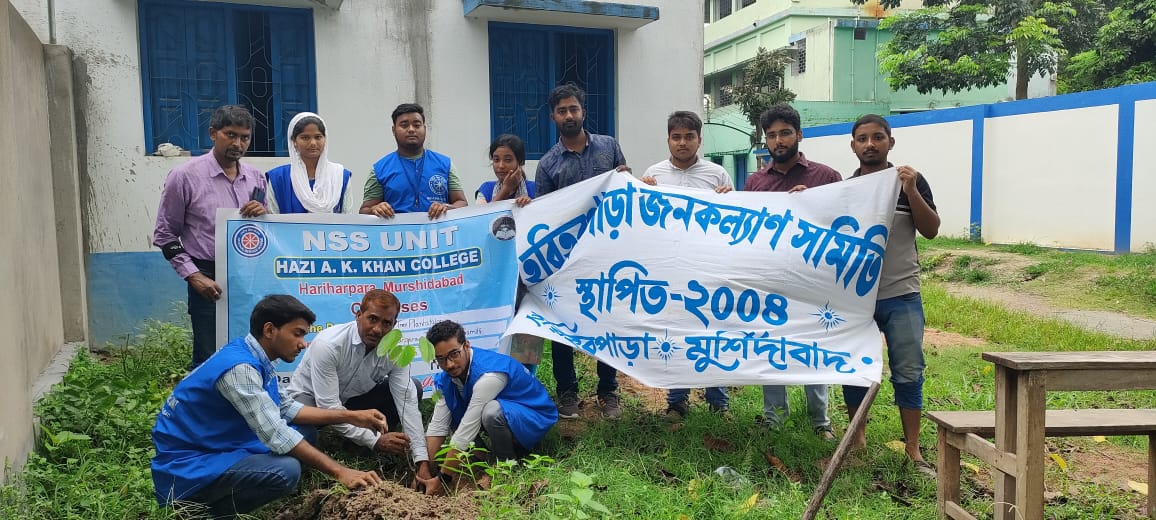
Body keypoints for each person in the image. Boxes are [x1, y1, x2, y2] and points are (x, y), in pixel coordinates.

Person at [151, 295, 384, 518]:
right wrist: (341, 471)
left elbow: (288, 408)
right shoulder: (240, 369)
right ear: (270, 330)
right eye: (297, 334)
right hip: (187, 465)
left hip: (215, 442)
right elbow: (277, 434)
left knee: (306, 433)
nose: (303, 344)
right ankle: (203, 513)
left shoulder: (255, 356)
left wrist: (351, 416)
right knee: (285, 471)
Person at [842, 114, 939, 470]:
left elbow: (931, 229)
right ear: (853, 146)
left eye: (878, 137)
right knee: (855, 369)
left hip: (902, 294)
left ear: (890, 142)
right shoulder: (846, 190)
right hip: (857, 299)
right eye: (862, 138)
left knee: (909, 370)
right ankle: (858, 440)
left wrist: (911, 191)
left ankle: (913, 448)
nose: (870, 144)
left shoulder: (910, 181)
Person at [743, 104, 841, 440]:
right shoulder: (755, 183)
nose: (778, 141)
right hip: (770, 279)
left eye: (785, 133)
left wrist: (813, 202)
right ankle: (775, 419)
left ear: (799, 134)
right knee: (770, 345)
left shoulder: (826, 178)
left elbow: (843, 224)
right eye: (771, 135)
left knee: (813, 347)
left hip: (814, 279)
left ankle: (820, 421)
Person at [534, 83, 630, 419]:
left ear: (583, 112)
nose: (569, 115)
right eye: (562, 111)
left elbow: (624, 190)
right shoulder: (547, 164)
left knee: (607, 321)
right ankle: (567, 393)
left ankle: (608, 391)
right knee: (562, 326)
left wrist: (626, 179)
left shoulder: (609, 147)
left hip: (608, 254)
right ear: (553, 117)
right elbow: (545, 214)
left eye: (573, 108)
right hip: (567, 259)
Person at [154, 105, 267, 369]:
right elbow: (164, 234)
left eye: (245, 137)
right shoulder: (184, 176)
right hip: (207, 277)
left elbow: (263, 229)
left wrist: (263, 214)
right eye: (230, 135)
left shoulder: (256, 178)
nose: (238, 143)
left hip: (249, 277)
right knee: (208, 358)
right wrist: (194, 277)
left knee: (250, 351)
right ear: (213, 133)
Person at [639, 110, 733, 419]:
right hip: (671, 269)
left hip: (709, 267)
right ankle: (677, 401)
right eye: (676, 137)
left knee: (712, 330)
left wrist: (728, 198)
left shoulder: (717, 175)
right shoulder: (653, 175)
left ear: (699, 140)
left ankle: (718, 401)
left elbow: (734, 220)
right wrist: (642, 193)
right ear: (668, 140)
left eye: (689, 137)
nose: (682, 143)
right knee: (675, 332)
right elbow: (642, 223)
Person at [286, 290, 433, 484]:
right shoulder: (329, 344)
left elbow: (406, 400)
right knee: (302, 435)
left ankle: (357, 444)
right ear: (358, 315)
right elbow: (328, 406)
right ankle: (364, 441)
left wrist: (421, 461)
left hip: (351, 402)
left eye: (386, 323)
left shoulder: (396, 350)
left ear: (394, 324)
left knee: (414, 387)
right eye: (372, 319)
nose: (378, 329)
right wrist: (375, 441)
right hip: (311, 401)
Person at [415, 320, 557, 495]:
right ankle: (482, 458)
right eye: (441, 359)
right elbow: (438, 426)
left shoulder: (489, 375)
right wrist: (424, 468)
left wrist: (444, 478)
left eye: (454, 354)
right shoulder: (446, 378)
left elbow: (467, 428)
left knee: (491, 412)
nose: (449, 364)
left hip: (533, 415)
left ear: (466, 346)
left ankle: (505, 465)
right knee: (453, 408)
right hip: (506, 413)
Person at [360, 103, 467, 220]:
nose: (411, 129)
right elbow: (364, 211)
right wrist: (375, 209)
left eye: (416, 125)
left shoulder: (445, 164)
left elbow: (461, 202)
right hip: (396, 231)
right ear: (393, 130)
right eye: (404, 125)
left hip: (437, 230)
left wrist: (448, 208)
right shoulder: (379, 169)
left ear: (424, 129)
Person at [265, 112, 354, 214]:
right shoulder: (278, 178)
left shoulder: (339, 176)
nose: (313, 143)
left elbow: (347, 217)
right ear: (294, 141)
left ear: (325, 139)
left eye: (318, 137)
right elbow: (273, 218)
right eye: (305, 137)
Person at [477, 134, 537, 203]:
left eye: (508, 160)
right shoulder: (485, 190)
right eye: (496, 160)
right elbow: (484, 210)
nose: (501, 166)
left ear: (520, 162)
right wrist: (506, 189)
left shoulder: (535, 189)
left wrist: (529, 205)